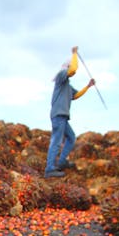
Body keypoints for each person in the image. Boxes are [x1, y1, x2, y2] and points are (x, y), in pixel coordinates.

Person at [44, 46, 95, 178]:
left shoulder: (67, 85)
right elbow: (73, 69)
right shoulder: (61, 76)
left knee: (71, 137)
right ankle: (49, 169)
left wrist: (88, 87)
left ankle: (61, 162)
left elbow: (75, 95)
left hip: (63, 116)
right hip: (58, 115)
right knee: (56, 140)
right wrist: (74, 54)